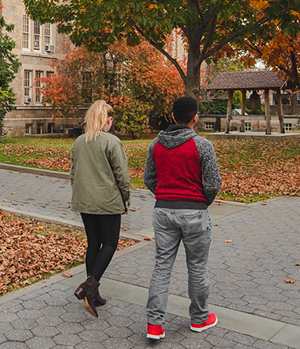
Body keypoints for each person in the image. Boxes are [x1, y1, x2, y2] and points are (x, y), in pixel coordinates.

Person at [144, 95, 222, 341]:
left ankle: (154, 325)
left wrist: (165, 195)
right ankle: (199, 318)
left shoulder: (156, 144)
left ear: (173, 116)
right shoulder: (202, 145)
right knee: (197, 267)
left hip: (164, 211)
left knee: (162, 266)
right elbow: (213, 183)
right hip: (194, 213)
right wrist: (200, 202)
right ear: (195, 117)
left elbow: (149, 177)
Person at [69, 99, 131, 318]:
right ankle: (88, 287)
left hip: (85, 201)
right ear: (106, 119)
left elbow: (73, 173)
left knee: (94, 243)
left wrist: (78, 195)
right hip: (107, 202)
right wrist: (126, 200)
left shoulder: (78, 142)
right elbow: (122, 175)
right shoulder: (112, 142)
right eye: (110, 118)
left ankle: (93, 293)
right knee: (110, 243)